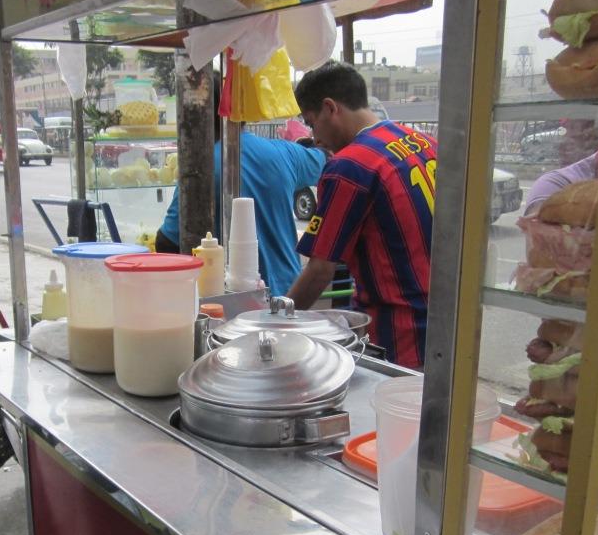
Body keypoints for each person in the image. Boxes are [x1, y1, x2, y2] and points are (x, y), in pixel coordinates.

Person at [287, 62, 436, 369]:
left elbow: (320, 270)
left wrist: (277, 325)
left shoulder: (351, 166)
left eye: (312, 124)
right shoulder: (422, 142)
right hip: (445, 329)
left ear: (330, 108)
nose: (314, 139)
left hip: (397, 340)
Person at [154, 76, 325, 298]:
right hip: (289, 296)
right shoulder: (285, 153)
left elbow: (166, 242)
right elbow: (326, 160)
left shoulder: (201, 169)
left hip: (231, 301)